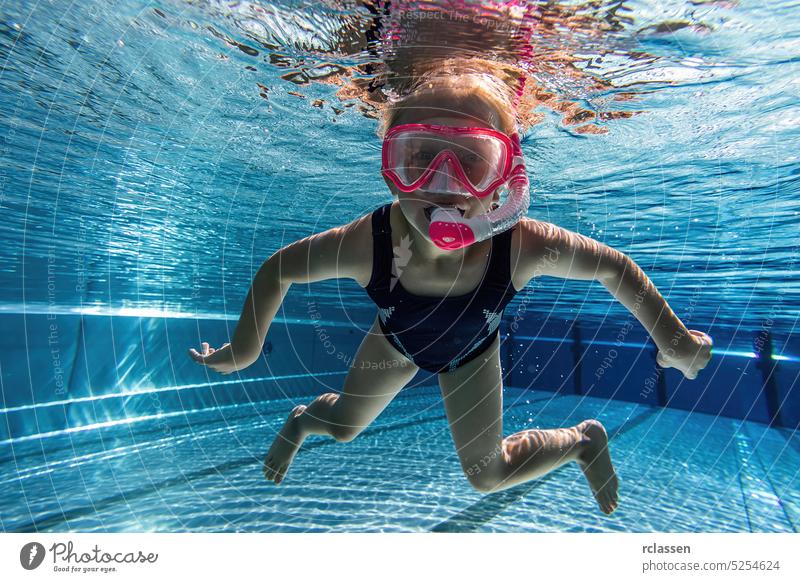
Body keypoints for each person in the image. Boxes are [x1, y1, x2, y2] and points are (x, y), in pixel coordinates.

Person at [188, 66, 713, 515]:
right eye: (419, 156)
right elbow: (279, 269)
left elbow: (612, 267)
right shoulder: (367, 242)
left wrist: (673, 338)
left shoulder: (521, 244)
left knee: (488, 475)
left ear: (507, 180)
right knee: (344, 426)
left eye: (473, 159)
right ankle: (303, 422)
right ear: (391, 174)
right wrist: (247, 347)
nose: (445, 182)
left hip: (471, 354)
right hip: (395, 344)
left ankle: (581, 442)